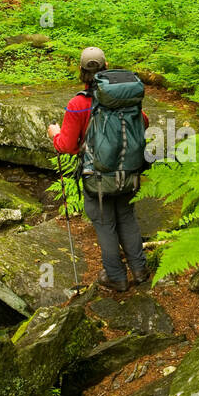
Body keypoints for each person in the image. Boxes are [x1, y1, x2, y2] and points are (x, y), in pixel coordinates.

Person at [47, 46, 150, 291]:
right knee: (126, 217)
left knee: (104, 222)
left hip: (98, 177)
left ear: (81, 71)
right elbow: (143, 121)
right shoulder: (126, 97)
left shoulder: (78, 104)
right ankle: (139, 270)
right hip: (128, 171)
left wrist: (54, 134)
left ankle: (116, 276)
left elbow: (67, 146)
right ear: (106, 67)